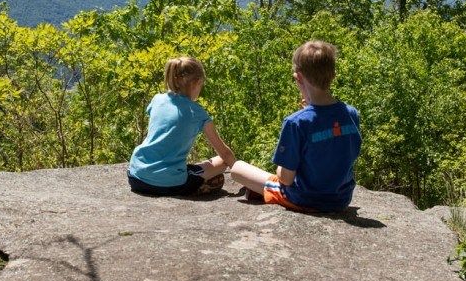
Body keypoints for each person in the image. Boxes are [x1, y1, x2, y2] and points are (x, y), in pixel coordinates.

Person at [230, 41, 361, 213]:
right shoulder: (351, 114)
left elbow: (285, 178)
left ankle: (265, 193)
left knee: (237, 168)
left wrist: (280, 168)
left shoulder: (296, 122)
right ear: (333, 75)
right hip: (341, 199)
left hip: (305, 199)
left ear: (298, 77)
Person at [127, 56, 235, 196]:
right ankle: (198, 183)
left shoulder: (157, 99)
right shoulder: (197, 112)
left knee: (183, 165)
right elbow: (226, 154)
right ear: (197, 83)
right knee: (221, 162)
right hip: (170, 183)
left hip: (136, 176)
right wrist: (242, 175)